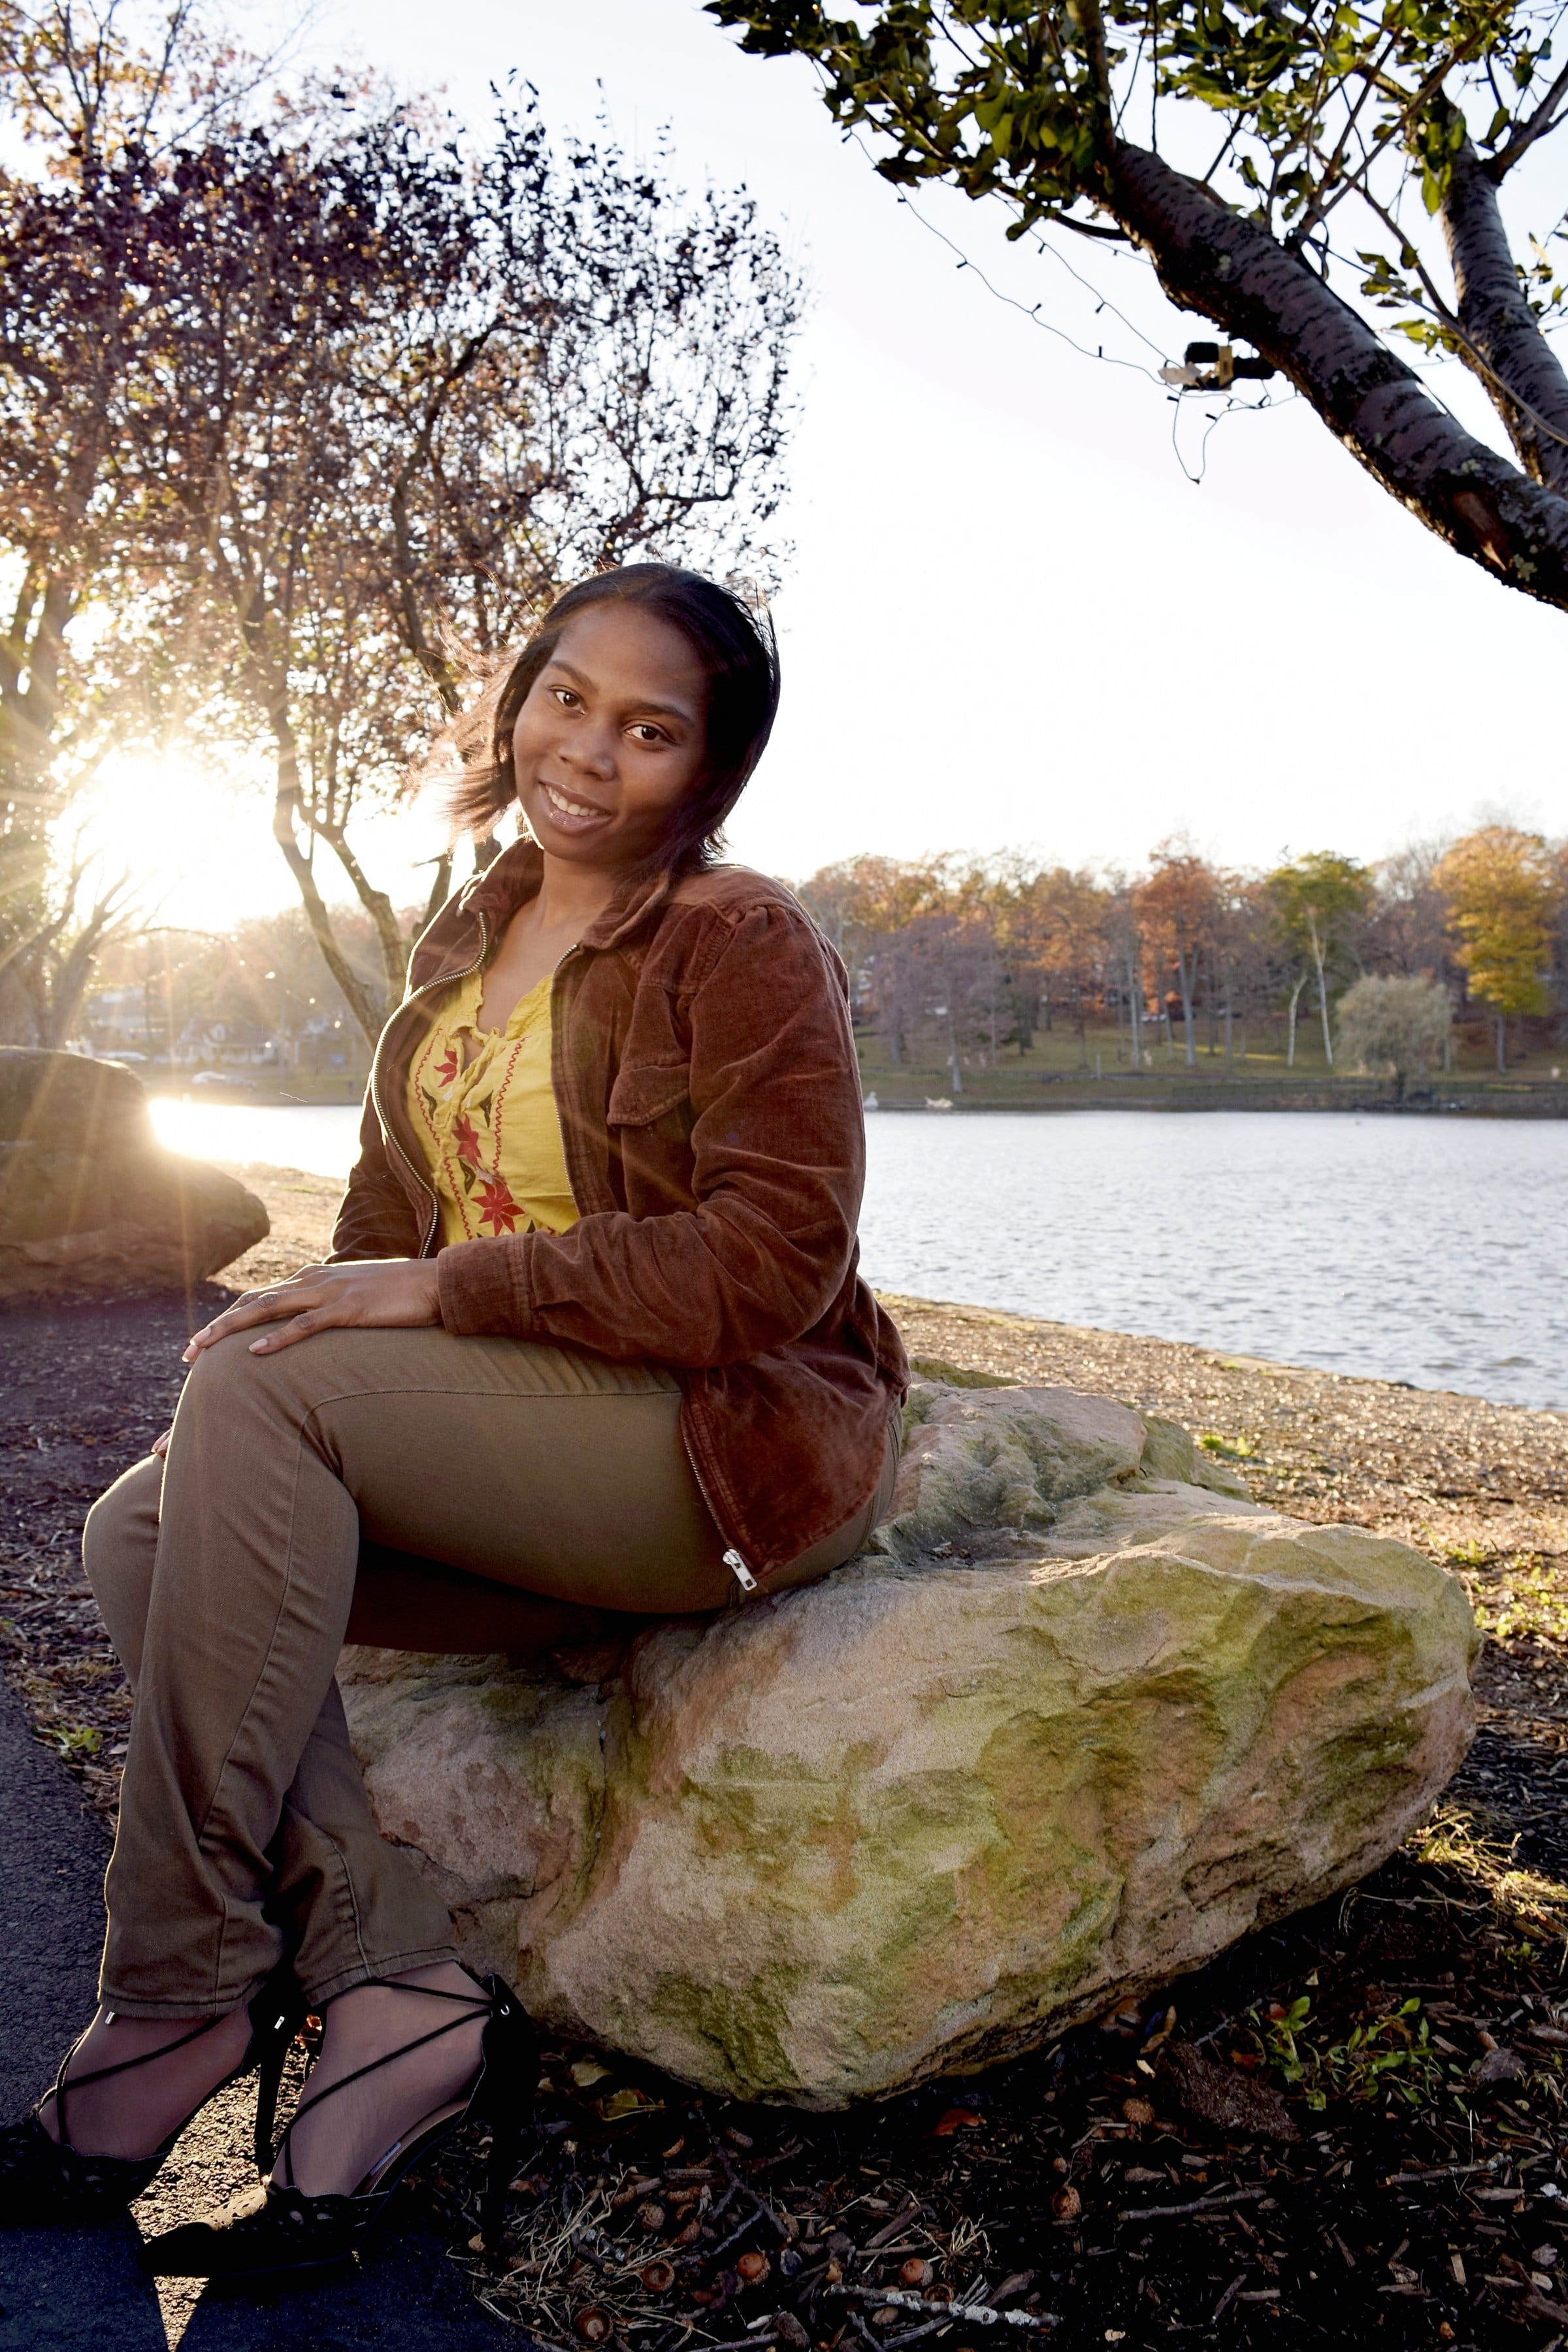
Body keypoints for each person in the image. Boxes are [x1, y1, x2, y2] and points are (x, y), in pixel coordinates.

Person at [0, 564, 908, 2281]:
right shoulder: (464, 939)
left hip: (721, 1444)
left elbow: (775, 1263)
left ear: (708, 774)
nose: (590, 750)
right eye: (566, 695)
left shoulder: (741, 937)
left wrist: (436, 1301)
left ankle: (176, 2005)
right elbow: (378, 1243)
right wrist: (338, 1320)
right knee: (147, 1516)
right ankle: (401, 1980)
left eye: (653, 730)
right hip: (532, 1447)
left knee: (254, 1405)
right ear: (518, 698)